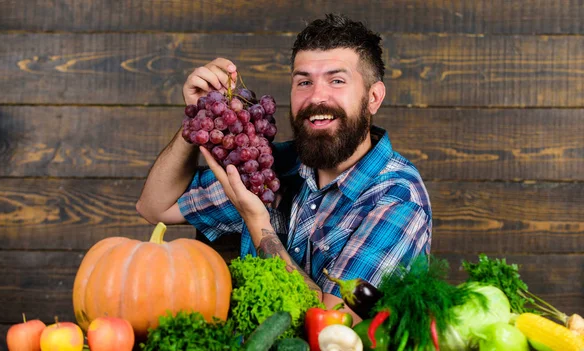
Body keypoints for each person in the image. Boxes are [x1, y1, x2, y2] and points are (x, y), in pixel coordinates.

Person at [136, 13, 432, 324]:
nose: (316, 96)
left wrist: (257, 220)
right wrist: (198, 118)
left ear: (373, 97)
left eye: (337, 80)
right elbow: (155, 207)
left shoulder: (398, 197)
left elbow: (332, 325)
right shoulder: (273, 168)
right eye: (304, 81)